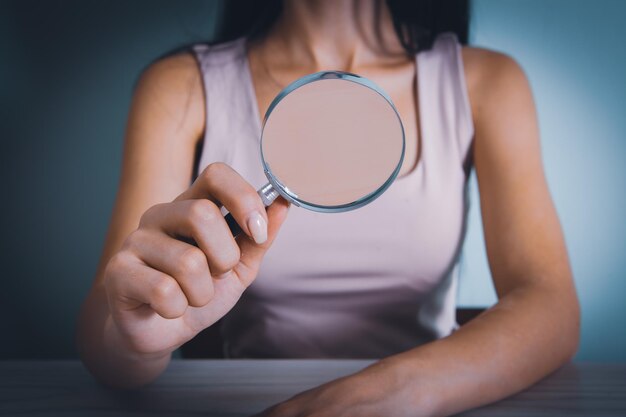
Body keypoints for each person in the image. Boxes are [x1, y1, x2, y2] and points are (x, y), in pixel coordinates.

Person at [77, 0, 580, 415]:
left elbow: (550, 305)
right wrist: (134, 339)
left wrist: (386, 395)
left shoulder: (486, 81)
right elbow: (108, 340)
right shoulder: (180, 87)